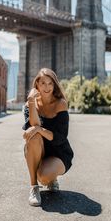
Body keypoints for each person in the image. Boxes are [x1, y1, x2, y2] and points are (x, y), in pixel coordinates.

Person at [22, 68, 74, 206]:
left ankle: (51, 178)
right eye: (43, 83)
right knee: (33, 137)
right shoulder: (30, 103)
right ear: (37, 84)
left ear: (54, 85)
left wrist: (39, 129)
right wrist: (31, 101)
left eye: (50, 83)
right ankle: (34, 187)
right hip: (40, 150)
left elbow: (60, 137)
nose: (47, 87)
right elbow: (32, 127)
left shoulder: (60, 103)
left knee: (44, 177)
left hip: (58, 151)